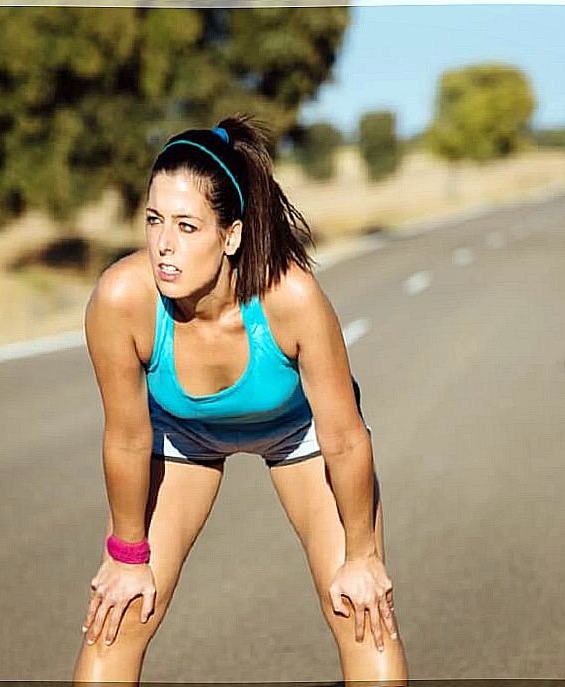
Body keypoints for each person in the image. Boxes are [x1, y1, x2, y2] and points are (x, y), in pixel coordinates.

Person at [71, 113, 408, 684]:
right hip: (181, 436)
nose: (164, 246)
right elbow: (128, 437)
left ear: (231, 235)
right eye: (154, 221)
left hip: (298, 433)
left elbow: (346, 439)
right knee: (120, 612)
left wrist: (362, 557)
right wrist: (128, 557)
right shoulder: (121, 299)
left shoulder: (290, 295)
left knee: (362, 611)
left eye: (187, 226)